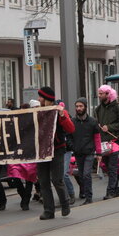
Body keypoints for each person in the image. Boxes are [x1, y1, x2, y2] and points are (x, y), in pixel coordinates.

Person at [36, 87, 75, 220]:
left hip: (57, 149)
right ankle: (48, 210)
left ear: (46, 98)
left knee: (57, 179)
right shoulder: (38, 111)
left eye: (40, 97)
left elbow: (70, 128)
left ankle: (65, 204)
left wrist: (63, 115)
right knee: (43, 181)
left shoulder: (58, 112)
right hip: (41, 150)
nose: (38, 99)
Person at [95, 85, 119, 200]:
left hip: (114, 141)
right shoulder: (98, 109)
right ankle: (116, 190)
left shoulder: (118, 108)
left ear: (108, 94)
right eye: (98, 93)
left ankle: (111, 191)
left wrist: (109, 127)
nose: (99, 96)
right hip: (103, 142)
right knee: (107, 167)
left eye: (101, 94)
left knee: (112, 167)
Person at [68, 97, 101, 205]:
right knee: (81, 175)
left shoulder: (92, 121)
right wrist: (73, 146)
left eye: (81, 106)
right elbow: (68, 137)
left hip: (89, 152)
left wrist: (99, 152)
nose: (79, 108)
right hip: (78, 152)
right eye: (77, 106)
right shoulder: (72, 121)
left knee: (87, 174)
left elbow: (97, 137)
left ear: (85, 107)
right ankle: (85, 193)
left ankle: (89, 197)